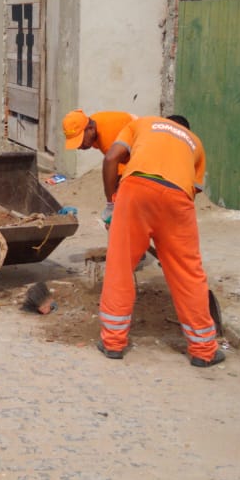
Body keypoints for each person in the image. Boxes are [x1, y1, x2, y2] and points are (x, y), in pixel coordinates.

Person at [97, 113, 225, 368]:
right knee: (187, 271)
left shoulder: (142, 123)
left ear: (164, 121)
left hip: (135, 189)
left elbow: (111, 157)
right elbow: (192, 192)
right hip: (178, 198)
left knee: (120, 265)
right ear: (184, 129)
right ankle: (204, 350)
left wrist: (112, 203)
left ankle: (113, 342)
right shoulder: (195, 142)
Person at [63, 108, 135, 226]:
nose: (79, 147)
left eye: (80, 140)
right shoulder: (95, 123)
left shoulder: (108, 137)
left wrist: (112, 207)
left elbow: (121, 174)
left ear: (90, 129)